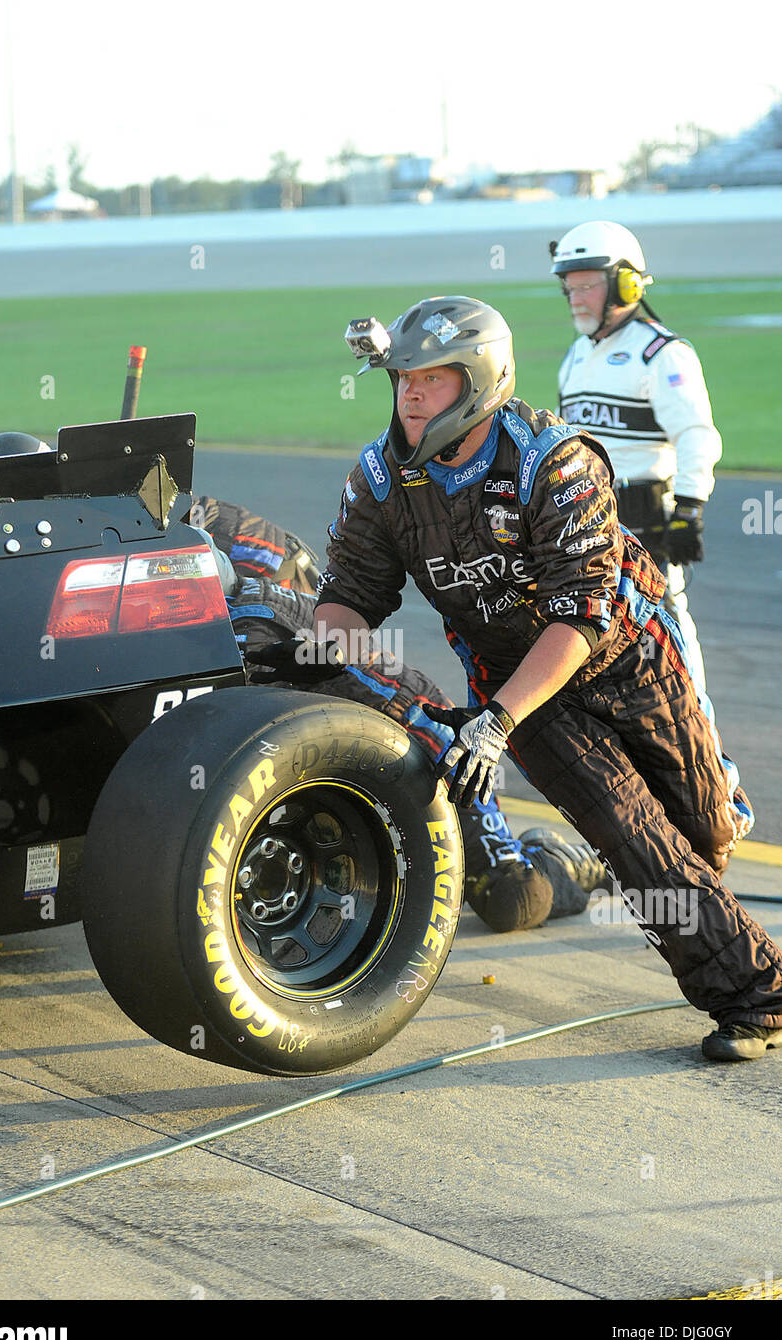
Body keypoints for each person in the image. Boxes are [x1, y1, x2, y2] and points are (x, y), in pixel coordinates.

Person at [252, 295, 782, 1063]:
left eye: (429, 380)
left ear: (477, 382)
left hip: (627, 652)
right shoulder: (377, 478)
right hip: (517, 683)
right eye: (401, 378)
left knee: (700, 834)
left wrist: (493, 724)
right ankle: (757, 1000)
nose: (408, 395)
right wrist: (328, 657)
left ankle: (714, 803)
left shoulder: (555, 460)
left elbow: (580, 615)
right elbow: (349, 597)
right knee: (632, 836)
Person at [193, 492, 609, 934]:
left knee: (513, 896)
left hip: (419, 748)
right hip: (309, 752)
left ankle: (567, 859)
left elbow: (417, 706)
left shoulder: (270, 622)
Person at [549, 221, 721, 689]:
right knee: (594, 623)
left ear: (627, 282)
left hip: (648, 515)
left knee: (665, 621)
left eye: (588, 285)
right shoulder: (577, 355)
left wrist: (689, 508)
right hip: (589, 514)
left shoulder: (662, 354)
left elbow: (696, 435)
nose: (576, 298)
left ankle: (700, 726)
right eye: (570, 286)